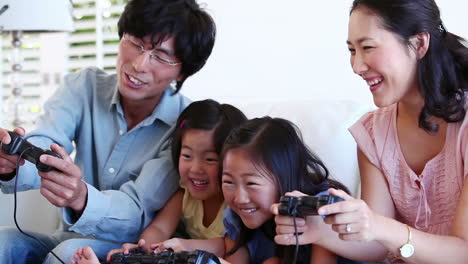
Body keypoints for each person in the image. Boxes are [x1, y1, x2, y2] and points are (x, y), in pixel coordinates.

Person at [0, 0, 216, 263]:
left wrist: (81, 196)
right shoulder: (84, 87)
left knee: (68, 254)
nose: (138, 64)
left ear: (182, 72)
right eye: (135, 43)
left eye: (159, 55)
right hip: (67, 238)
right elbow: (45, 141)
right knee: (6, 241)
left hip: (130, 250)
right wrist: (14, 162)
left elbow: (137, 212)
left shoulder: (186, 127)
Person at [272, 0, 468, 263]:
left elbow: (463, 252)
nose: (357, 66)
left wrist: (379, 225)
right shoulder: (373, 133)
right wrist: (316, 229)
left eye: (368, 48)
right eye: (352, 50)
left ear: (419, 44)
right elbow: (376, 247)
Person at [70, 99, 247, 264]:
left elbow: (230, 249)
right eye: (187, 156)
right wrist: (143, 249)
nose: (195, 169)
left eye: (209, 159)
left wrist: (185, 247)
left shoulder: (237, 202)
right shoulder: (185, 194)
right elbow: (160, 229)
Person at [199, 117, 350, 264]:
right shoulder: (238, 216)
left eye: (251, 183)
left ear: (284, 177)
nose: (239, 198)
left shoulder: (320, 209)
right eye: (228, 182)